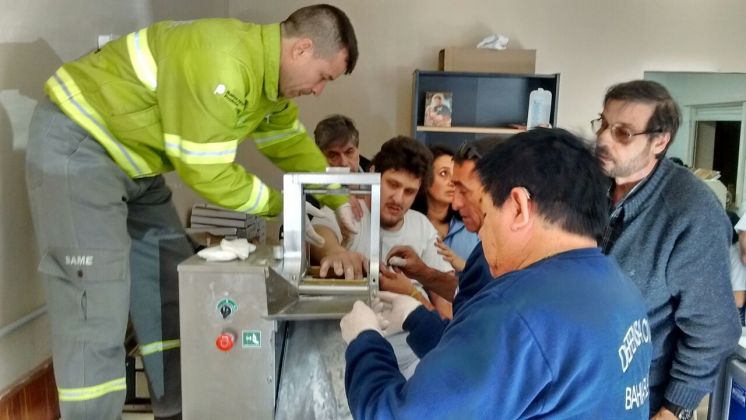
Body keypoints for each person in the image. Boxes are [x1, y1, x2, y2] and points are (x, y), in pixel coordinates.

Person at [25, 5, 358, 419]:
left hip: (137, 164)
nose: (319, 90)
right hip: (82, 146)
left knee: (172, 284)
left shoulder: (268, 88)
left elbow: (291, 146)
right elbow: (208, 172)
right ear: (302, 49)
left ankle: (181, 412)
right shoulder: (223, 60)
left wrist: (338, 200)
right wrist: (284, 205)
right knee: (96, 301)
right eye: (324, 76)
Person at [340, 128, 653, 419]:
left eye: (486, 214)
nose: (482, 236)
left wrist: (364, 341)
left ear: (518, 206)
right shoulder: (621, 288)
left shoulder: (518, 307)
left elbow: (395, 414)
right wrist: (417, 317)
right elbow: (483, 372)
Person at [594, 80, 741, 419]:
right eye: (603, 123)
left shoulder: (691, 212)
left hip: (642, 402)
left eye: (623, 133)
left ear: (660, 141)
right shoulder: (593, 183)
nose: (602, 138)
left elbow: (714, 328)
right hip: (586, 389)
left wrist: (674, 408)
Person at [412, 145, 479, 274]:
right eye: (444, 173)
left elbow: (489, 278)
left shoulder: (471, 228)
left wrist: (462, 264)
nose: (452, 182)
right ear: (425, 179)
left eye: (454, 175)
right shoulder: (410, 224)